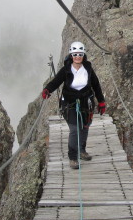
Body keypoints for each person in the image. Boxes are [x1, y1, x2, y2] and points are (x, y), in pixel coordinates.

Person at [41, 41, 106, 169]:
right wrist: (47, 90)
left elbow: (96, 85)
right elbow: (56, 82)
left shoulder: (88, 68)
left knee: (84, 127)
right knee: (75, 129)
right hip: (69, 103)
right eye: (75, 54)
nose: (77, 56)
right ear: (71, 55)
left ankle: (82, 150)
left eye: (80, 54)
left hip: (86, 102)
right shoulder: (66, 69)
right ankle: (73, 157)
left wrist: (101, 101)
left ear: (83, 55)